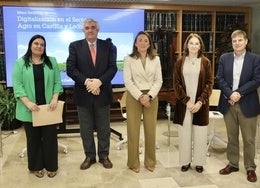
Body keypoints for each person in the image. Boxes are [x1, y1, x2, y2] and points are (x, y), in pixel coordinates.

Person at [66, 18, 117, 170]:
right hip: (83, 94)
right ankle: (89, 156)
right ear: (83, 30)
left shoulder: (107, 46)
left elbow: (112, 68)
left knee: (104, 128)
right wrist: (88, 82)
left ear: (97, 30)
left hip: (103, 93)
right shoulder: (75, 46)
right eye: (87, 28)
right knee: (85, 129)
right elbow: (71, 69)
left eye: (93, 27)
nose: (90, 30)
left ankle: (104, 156)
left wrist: (99, 82)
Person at [12, 34, 63, 178]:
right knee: (33, 139)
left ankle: (52, 166)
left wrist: (55, 98)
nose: (39, 46)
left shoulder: (51, 61)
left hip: (49, 109)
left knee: (50, 139)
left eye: (42, 44)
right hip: (29, 109)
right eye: (36, 43)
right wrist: (27, 102)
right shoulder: (20, 63)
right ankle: (36, 166)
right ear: (30, 45)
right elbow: (18, 85)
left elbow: (57, 83)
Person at [216, 30, 260, 182]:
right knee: (231, 136)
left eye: (240, 40)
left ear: (246, 41)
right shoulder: (225, 58)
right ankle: (233, 164)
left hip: (247, 104)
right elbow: (220, 78)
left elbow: (256, 81)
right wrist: (230, 94)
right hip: (229, 104)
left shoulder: (255, 59)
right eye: (234, 40)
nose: (237, 43)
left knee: (249, 139)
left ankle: (250, 168)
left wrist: (238, 93)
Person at [173, 33, 213, 173]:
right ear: (186, 45)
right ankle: (185, 162)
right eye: (191, 43)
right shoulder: (180, 62)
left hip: (200, 105)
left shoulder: (206, 62)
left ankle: (199, 162)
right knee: (184, 134)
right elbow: (176, 84)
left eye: (197, 43)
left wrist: (200, 102)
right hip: (184, 105)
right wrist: (187, 101)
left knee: (200, 134)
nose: (194, 46)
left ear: (200, 45)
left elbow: (209, 84)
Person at [123, 31, 163, 173]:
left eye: (145, 40)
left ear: (149, 44)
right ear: (135, 43)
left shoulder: (156, 59)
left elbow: (159, 80)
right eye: (140, 40)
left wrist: (149, 96)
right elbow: (128, 81)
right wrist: (140, 96)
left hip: (151, 97)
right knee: (133, 131)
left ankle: (150, 161)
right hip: (134, 96)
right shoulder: (128, 59)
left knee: (150, 130)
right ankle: (133, 163)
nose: (143, 43)